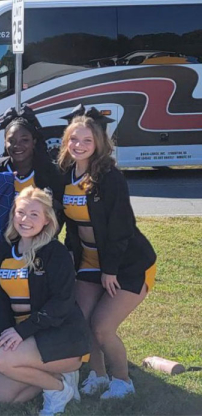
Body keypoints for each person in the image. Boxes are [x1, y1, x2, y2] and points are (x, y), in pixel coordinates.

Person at [57, 105, 157, 399]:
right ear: (66, 140)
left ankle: (123, 381)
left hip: (126, 264)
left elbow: (121, 229)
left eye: (87, 141)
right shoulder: (65, 173)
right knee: (81, 320)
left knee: (102, 327)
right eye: (74, 139)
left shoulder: (110, 177)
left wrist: (110, 270)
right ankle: (98, 376)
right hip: (88, 262)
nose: (79, 146)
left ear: (99, 143)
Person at [0, 187, 89, 415]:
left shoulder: (55, 252)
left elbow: (62, 302)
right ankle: (55, 377)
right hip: (27, 337)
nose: (25, 219)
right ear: (13, 215)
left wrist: (22, 333)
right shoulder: (4, 250)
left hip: (60, 336)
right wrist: (7, 335)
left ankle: (59, 388)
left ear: (46, 220)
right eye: (21, 212)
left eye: (34, 214)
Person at [0, 105, 63, 201]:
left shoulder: (50, 172)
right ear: (4, 142)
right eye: (11, 141)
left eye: (24, 140)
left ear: (34, 142)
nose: (17, 145)